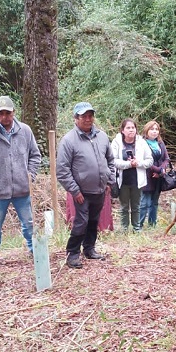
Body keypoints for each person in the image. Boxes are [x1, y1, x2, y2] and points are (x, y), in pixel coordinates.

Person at [0, 96, 42, 269]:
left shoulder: (25, 131)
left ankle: (35, 250)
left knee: (28, 222)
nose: (5, 116)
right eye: (1, 113)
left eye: (8, 113)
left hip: (22, 188)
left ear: (14, 112)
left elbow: (35, 155)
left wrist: (30, 176)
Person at [56, 101, 115, 269]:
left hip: (100, 189)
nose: (88, 119)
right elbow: (62, 170)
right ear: (76, 119)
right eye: (84, 116)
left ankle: (89, 249)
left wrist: (108, 180)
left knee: (93, 220)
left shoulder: (102, 137)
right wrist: (74, 190)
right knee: (81, 221)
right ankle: (72, 253)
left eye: (90, 116)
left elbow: (110, 160)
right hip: (81, 191)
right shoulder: (68, 140)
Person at [110, 118, 153, 231]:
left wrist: (138, 163)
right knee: (124, 206)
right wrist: (129, 164)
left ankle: (136, 228)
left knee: (136, 206)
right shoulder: (116, 142)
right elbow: (113, 161)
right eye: (128, 128)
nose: (131, 130)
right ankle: (124, 228)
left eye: (133, 128)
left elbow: (149, 160)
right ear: (122, 130)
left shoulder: (141, 142)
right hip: (122, 179)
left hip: (137, 179)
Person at [139, 120, 170, 227]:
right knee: (144, 203)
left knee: (154, 202)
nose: (154, 131)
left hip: (159, 177)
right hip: (147, 176)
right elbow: (143, 160)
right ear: (146, 130)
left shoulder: (160, 143)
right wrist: (158, 170)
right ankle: (139, 224)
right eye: (152, 129)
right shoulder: (141, 143)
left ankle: (152, 224)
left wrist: (161, 170)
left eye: (156, 129)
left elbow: (166, 159)